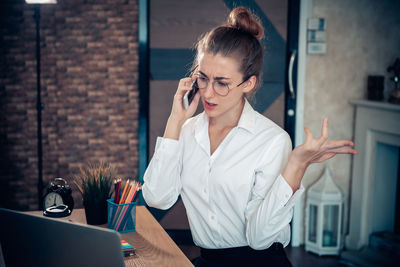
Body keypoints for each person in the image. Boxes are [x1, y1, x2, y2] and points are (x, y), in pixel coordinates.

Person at [142, 7, 357, 267]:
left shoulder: (272, 141)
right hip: (208, 261)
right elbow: (157, 197)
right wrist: (175, 120)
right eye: (202, 78)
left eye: (222, 83)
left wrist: (296, 165)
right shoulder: (186, 132)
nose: (208, 93)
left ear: (249, 84)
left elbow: (258, 238)